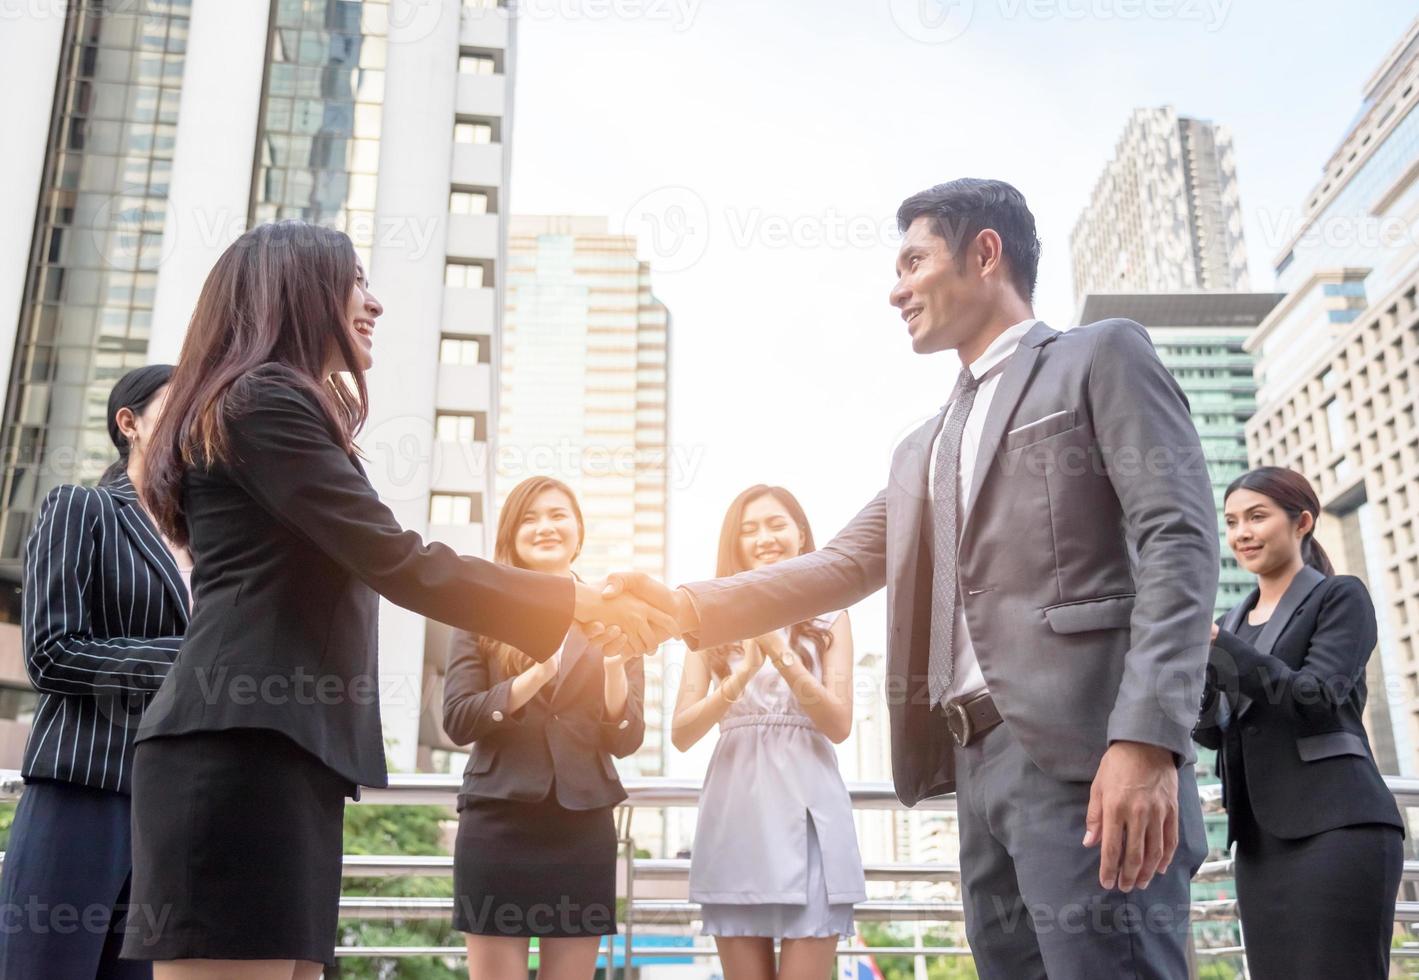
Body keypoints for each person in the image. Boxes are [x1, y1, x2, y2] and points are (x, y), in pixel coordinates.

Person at [607, 178, 1218, 978]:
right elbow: (836, 566)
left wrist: (1144, 739)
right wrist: (685, 606)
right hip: (976, 769)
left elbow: (1178, 538)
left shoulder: (1097, 356)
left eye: (912, 261)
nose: (894, 289)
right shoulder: (922, 447)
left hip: (1090, 758)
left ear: (984, 253)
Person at [118, 221, 673, 979]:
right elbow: (398, 561)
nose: (372, 304)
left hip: (280, 750)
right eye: (355, 283)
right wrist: (577, 602)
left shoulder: (265, 406)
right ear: (296, 290)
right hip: (237, 750)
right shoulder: (263, 401)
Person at [0, 365, 184, 979]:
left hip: (171, 810)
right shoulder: (82, 509)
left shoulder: (216, 543)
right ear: (128, 423)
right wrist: (191, 662)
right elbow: (50, 652)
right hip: (83, 791)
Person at [1194, 466, 1403, 979]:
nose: (1242, 533)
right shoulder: (1238, 618)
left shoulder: (1339, 597)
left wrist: (1221, 647)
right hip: (1260, 843)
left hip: (1337, 829)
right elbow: (1215, 732)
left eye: (1257, 517)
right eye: (1233, 521)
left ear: (1302, 522)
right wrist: (1196, 674)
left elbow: (1316, 697)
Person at [443, 476, 646, 980]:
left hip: (582, 827)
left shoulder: (616, 614)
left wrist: (616, 667)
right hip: (498, 822)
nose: (546, 527)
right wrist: (535, 674)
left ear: (579, 529)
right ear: (510, 535)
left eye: (558, 514)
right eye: (529, 518)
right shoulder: (480, 611)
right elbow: (458, 718)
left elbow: (627, 737)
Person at [671, 485, 864, 980]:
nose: (763, 538)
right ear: (733, 543)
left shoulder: (832, 616)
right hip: (736, 806)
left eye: (776, 524)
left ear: (801, 534)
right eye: (749, 529)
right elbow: (682, 731)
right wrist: (737, 678)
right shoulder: (707, 619)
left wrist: (784, 657)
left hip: (811, 805)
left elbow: (839, 723)